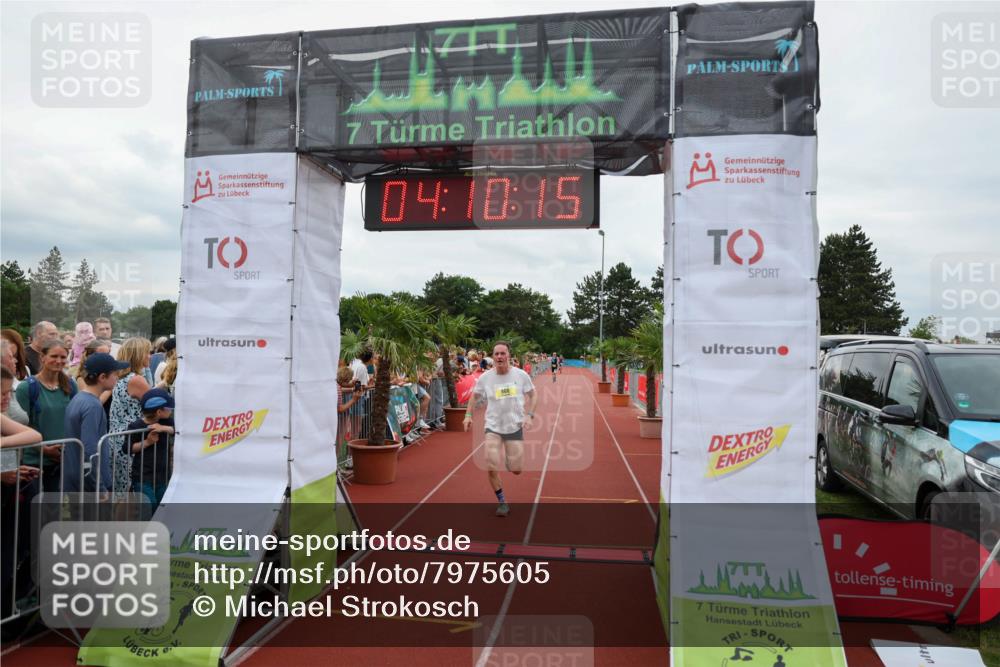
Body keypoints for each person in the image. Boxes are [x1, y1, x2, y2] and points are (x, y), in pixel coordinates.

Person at [464, 341, 537, 517]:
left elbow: (533, 395)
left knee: (517, 469)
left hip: (514, 427)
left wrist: (530, 415)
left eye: (503, 353)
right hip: (493, 427)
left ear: (509, 355)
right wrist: (468, 416)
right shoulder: (486, 377)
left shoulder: (520, 375)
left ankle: (510, 462)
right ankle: (502, 502)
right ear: (493, 356)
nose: (499, 357)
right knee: (490, 464)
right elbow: (474, 397)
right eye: (496, 354)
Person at [15, 337, 76, 491]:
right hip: (34, 461)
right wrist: (44, 449)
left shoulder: (71, 385)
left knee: (54, 509)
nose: (59, 361)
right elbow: (19, 427)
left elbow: (75, 420)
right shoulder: (26, 388)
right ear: (42, 357)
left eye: (63, 357)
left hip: (62, 461)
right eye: (54, 356)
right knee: (33, 510)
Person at [63, 352, 128, 492]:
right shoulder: (93, 406)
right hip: (90, 484)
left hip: (76, 478)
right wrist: (99, 487)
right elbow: (91, 450)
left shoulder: (78, 398)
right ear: (102, 377)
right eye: (115, 374)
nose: (118, 377)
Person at [108, 338, 152, 499]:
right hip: (130, 441)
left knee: (121, 490)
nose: (150, 356)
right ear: (138, 355)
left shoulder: (122, 378)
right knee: (127, 492)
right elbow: (158, 405)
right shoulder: (136, 380)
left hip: (118, 439)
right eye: (147, 352)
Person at [126, 388, 175, 508]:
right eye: (169, 408)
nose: (171, 411)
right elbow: (127, 448)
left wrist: (163, 428)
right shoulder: (136, 426)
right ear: (159, 412)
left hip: (162, 476)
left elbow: (178, 431)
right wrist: (147, 442)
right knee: (148, 506)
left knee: (161, 507)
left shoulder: (167, 422)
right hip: (143, 476)